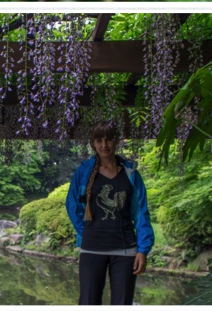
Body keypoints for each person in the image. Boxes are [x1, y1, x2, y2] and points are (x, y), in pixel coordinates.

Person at [66, 121, 154, 305]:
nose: (104, 145)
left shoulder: (131, 174)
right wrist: (88, 230)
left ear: (116, 142)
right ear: (93, 143)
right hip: (92, 249)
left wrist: (143, 250)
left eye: (108, 139)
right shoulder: (83, 172)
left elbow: (141, 213)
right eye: (99, 140)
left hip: (126, 250)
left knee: (122, 303)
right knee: (88, 302)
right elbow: (72, 205)